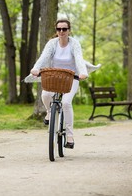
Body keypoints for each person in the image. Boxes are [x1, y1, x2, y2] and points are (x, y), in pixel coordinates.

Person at [30, 18, 100, 149]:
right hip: (54, 77)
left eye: (64, 29)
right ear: (56, 31)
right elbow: (44, 57)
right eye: (59, 29)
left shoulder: (74, 44)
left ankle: (69, 136)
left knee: (66, 103)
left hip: (71, 78)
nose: (61, 31)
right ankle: (49, 112)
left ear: (69, 30)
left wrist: (83, 72)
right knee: (45, 96)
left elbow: (79, 59)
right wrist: (36, 68)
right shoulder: (52, 43)